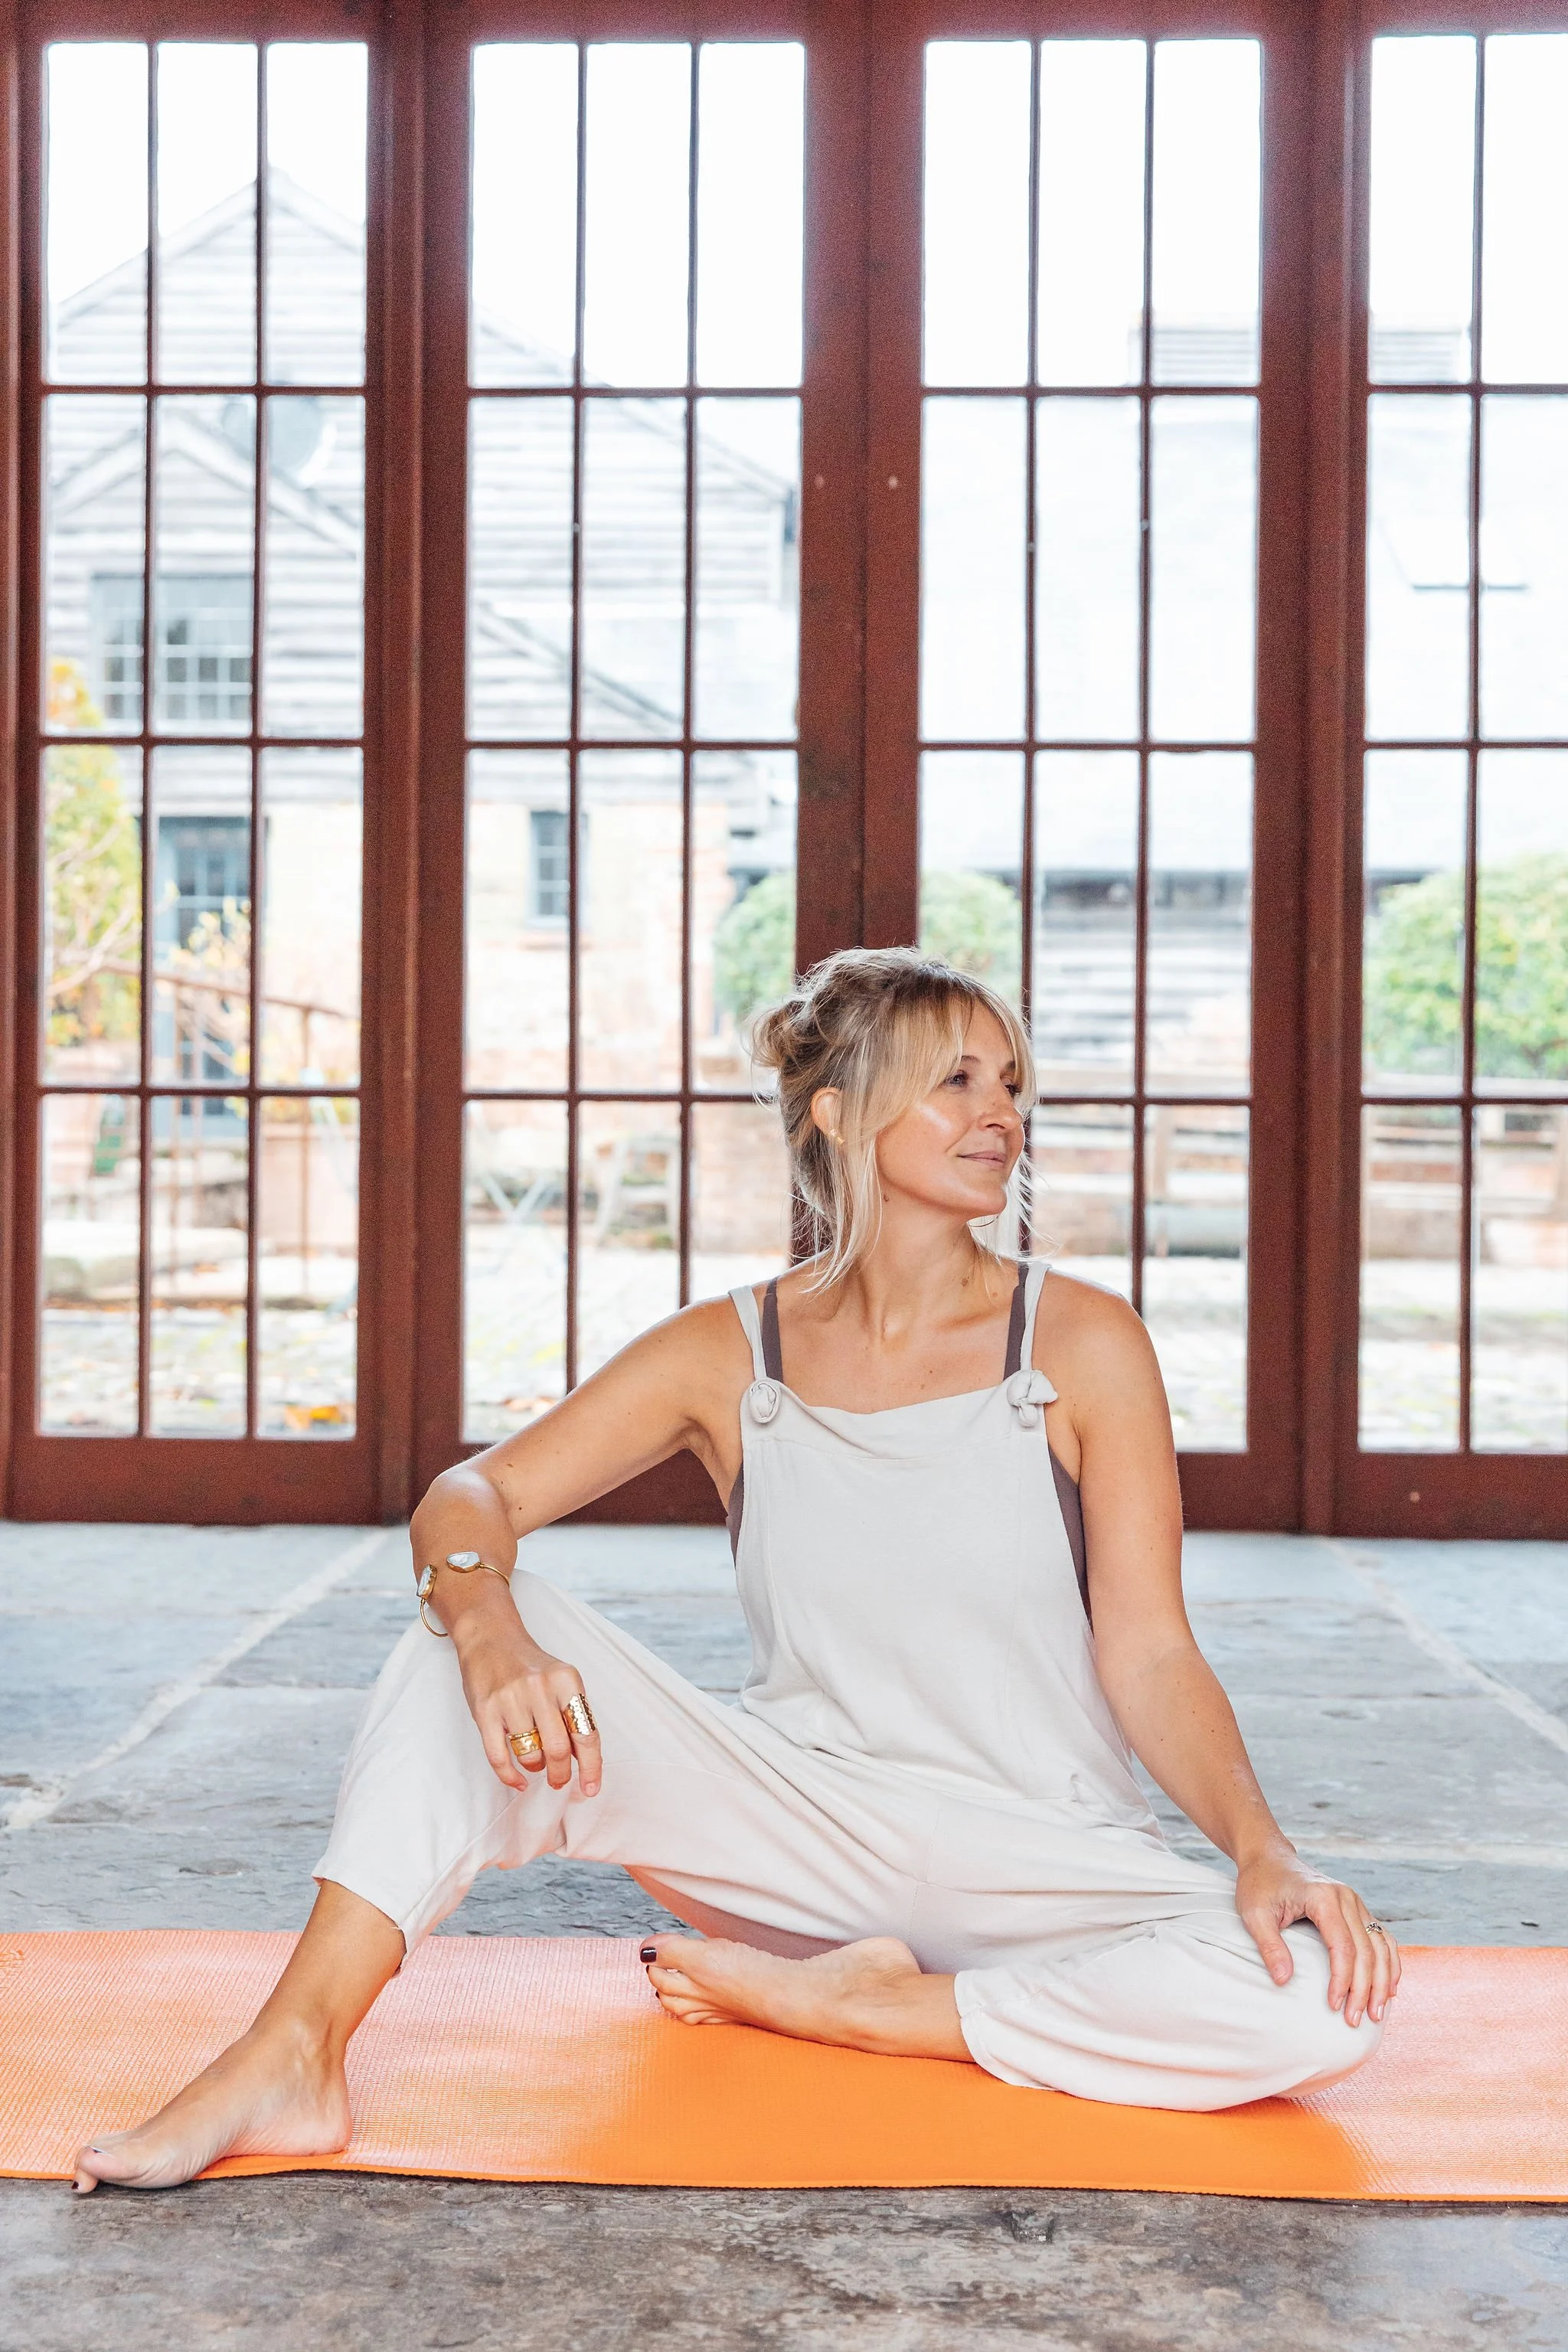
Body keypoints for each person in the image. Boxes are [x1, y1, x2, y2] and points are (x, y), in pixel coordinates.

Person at [73, 949, 1396, 2194]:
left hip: (1040, 1855)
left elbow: (1150, 1648)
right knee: (464, 1625)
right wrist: (487, 1629)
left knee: (1308, 1996)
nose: (1000, 1112)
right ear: (833, 1113)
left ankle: (881, 2010)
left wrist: (1260, 1849)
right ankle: (293, 2055)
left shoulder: (1087, 1343)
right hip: (802, 1836)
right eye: (956, 1080)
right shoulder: (731, 1351)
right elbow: (471, 1496)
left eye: (1011, 1082)